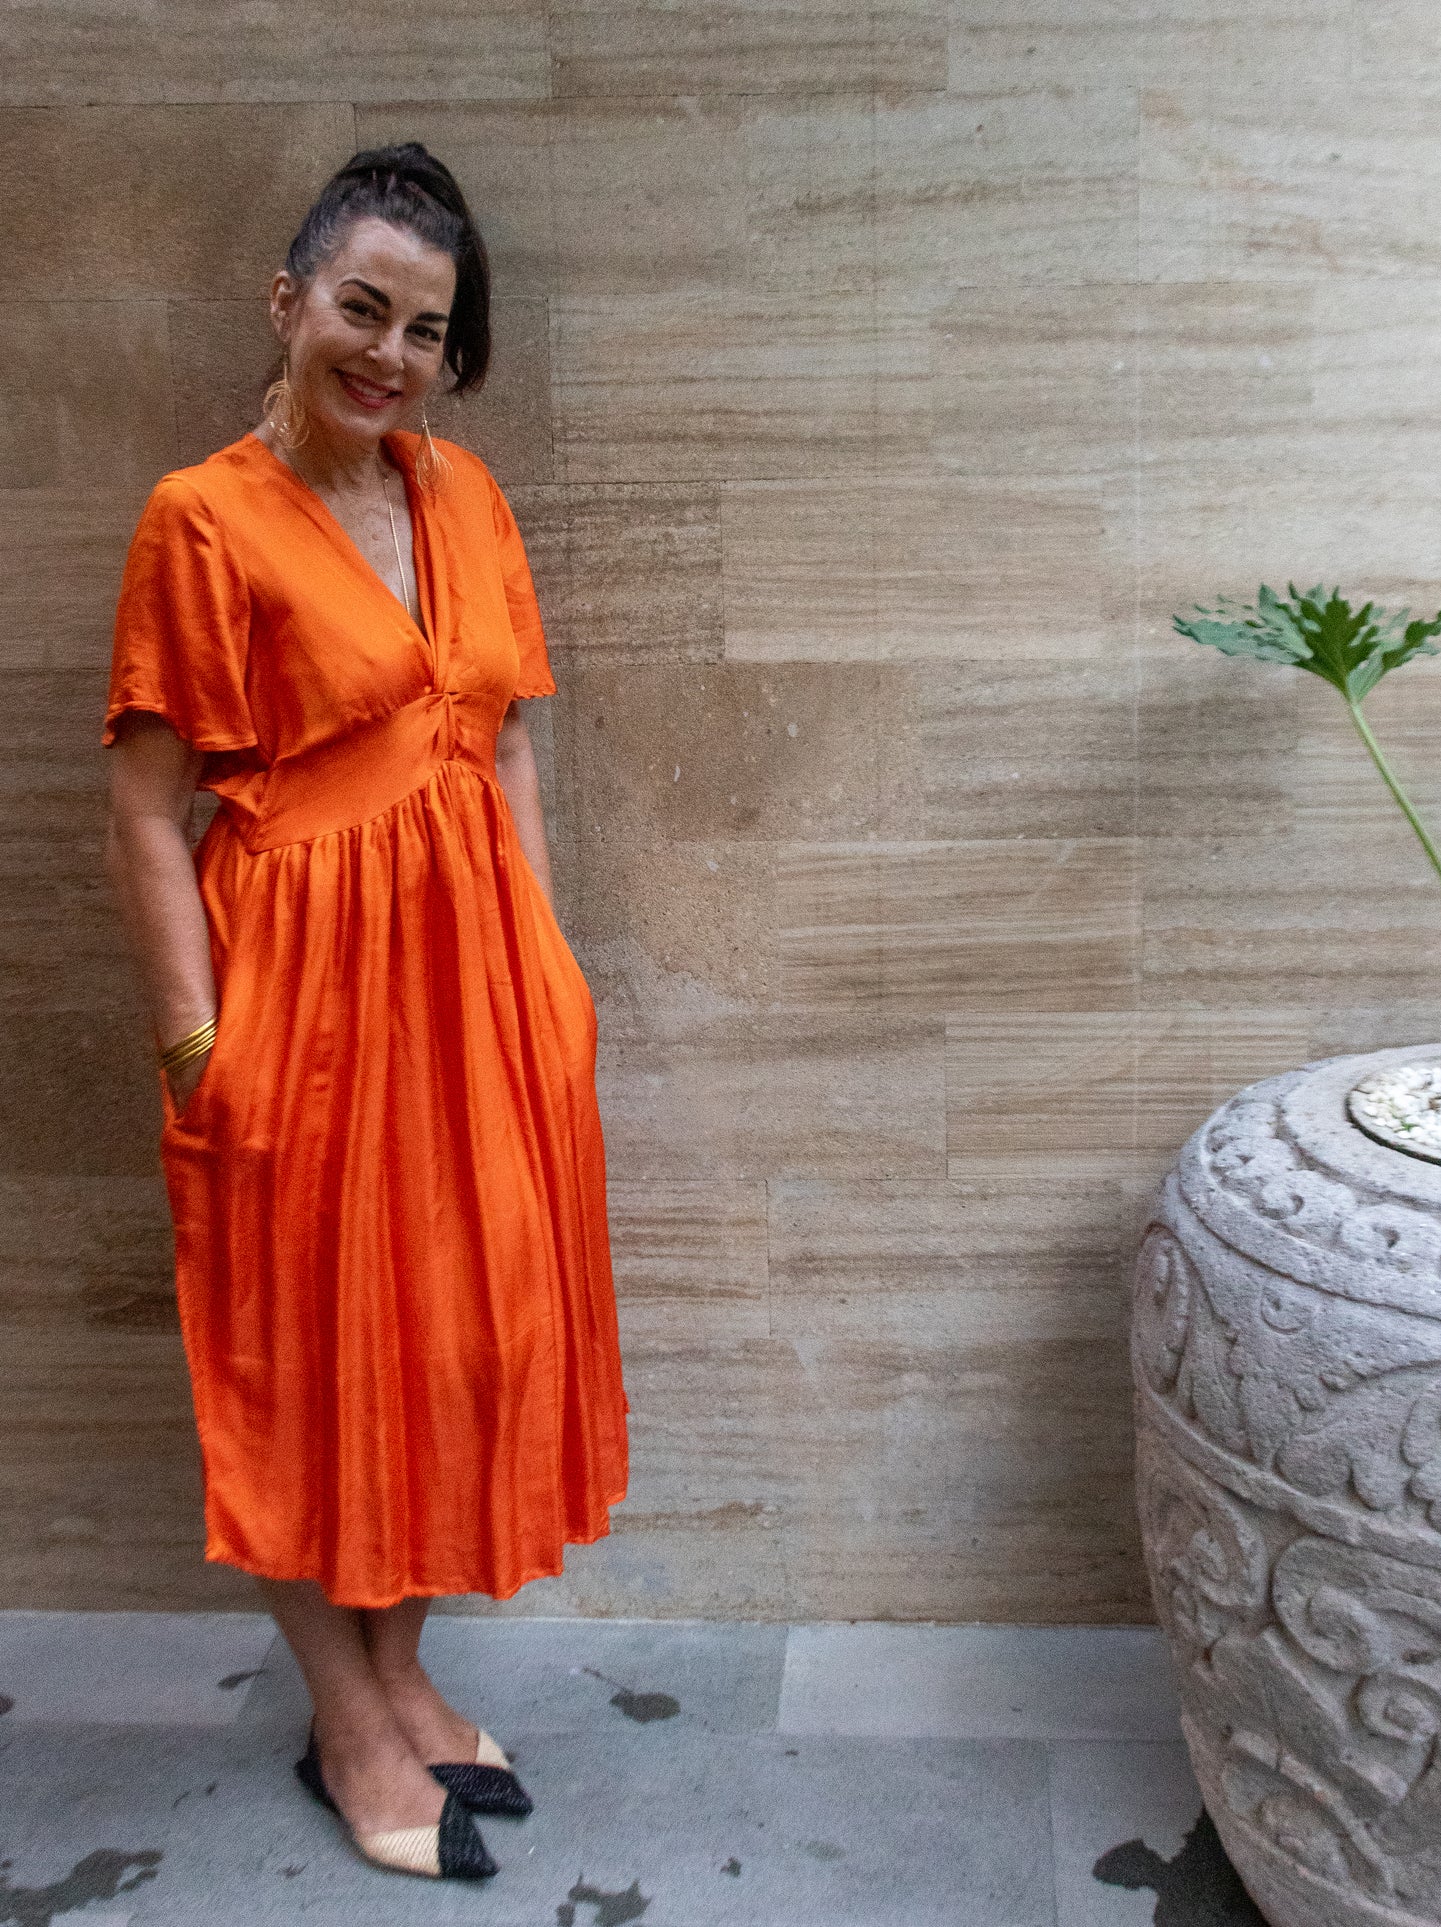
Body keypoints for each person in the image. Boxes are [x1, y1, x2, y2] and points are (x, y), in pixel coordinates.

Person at [102, 142, 629, 1884]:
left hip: (478, 988)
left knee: (456, 1343)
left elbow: (508, 740)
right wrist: (198, 1044)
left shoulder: (466, 497)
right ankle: (343, 1716)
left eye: (425, 330)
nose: (390, 353)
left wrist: (547, 963)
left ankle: (401, 1677)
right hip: (301, 995)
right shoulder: (201, 518)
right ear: (288, 301)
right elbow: (145, 808)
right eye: (362, 307)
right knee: (302, 1364)